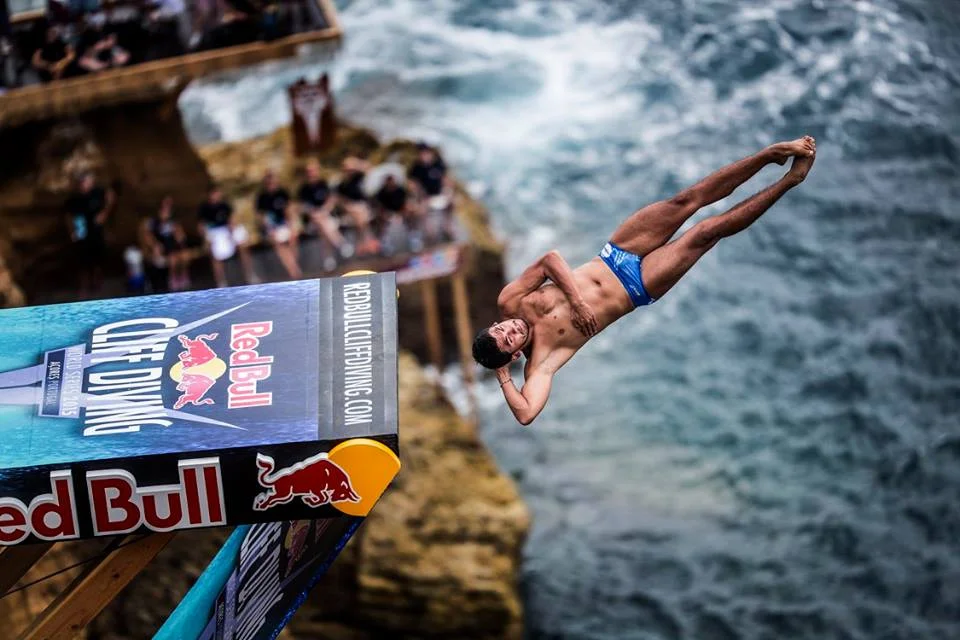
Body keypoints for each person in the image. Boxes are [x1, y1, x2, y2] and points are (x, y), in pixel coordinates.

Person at [473, 137, 817, 425]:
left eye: (501, 329)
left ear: (495, 324)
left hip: (614, 255)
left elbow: (550, 260)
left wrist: (577, 302)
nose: (511, 329)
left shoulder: (510, 302)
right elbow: (526, 413)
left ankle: (770, 154)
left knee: (686, 200)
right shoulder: (543, 361)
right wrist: (504, 376)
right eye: (509, 340)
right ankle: (790, 181)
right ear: (514, 354)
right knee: (706, 232)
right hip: (637, 287)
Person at [197, 185, 258, 287]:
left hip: (226, 230)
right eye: (213, 194)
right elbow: (201, 226)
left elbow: (232, 220)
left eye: (217, 193)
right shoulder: (204, 208)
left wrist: (232, 231)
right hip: (214, 232)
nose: (215, 196)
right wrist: (205, 238)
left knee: (242, 244)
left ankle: (250, 274)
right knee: (215, 254)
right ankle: (221, 282)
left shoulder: (225, 205)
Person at [65, 173, 114, 298]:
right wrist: (72, 230)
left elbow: (111, 196)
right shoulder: (74, 198)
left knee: (98, 259)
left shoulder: (98, 193)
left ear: (91, 182)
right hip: (81, 232)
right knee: (82, 260)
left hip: (97, 231)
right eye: (81, 183)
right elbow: (68, 216)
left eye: (85, 182)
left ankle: (97, 283)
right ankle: (84, 287)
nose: (83, 185)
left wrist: (104, 213)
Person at [297, 160, 350, 270]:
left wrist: (324, 211)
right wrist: (315, 213)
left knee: (324, 227)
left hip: (326, 217)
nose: (311, 173)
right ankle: (341, 244)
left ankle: (328, 259)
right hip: (312, 222)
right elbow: (303, 207)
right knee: (322, 223)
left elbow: (331, 200)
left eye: (313, 170)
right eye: (309, 171)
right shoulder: (303, 189)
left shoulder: (323, 184)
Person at [256, 170, 302, 279]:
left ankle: (293, 265)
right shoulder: (262, 197)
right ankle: (293, 270)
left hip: (284, 224)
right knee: (278, 243)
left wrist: (291, 226)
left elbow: (290, 210)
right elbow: (261, 217)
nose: (272, 185)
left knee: (293, 237)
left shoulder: (283, 193)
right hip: (271, 227)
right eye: (269, 183)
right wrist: (270, 229)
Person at [141, 195, 190, 291]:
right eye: (165, 207)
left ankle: (183, 278)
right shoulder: (153, 221)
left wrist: (180, 235)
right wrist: (154, 245)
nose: (167, 209)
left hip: (173, 247)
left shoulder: (174, 221)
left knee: (185, 256)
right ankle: (172, 281)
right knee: (172, 259)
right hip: (162, 248)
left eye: (169, 207)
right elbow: (147, 235)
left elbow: (181, 236)